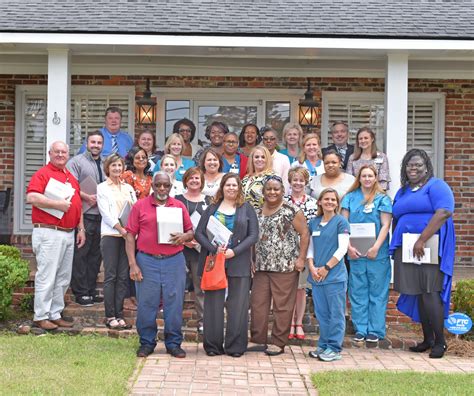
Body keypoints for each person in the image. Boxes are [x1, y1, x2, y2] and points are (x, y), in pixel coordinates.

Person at [389, 149, 455, 359]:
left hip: (429, 245)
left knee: (430, 291)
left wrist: (421, 239)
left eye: (418, 165)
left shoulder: (436, 186)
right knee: (417, 291)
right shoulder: (403, 191)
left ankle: (440, 342)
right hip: (408, 248)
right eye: (410, 165)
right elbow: (396, 216)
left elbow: (444, 211)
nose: (414, 168)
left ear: (427, 166)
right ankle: (427, 340)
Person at [125, 171, 194, 358]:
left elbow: (190, 231)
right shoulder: (140, 206)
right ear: (152, 186)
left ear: (171, 187)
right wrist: (133, 264)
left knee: (174, 302)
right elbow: (130, 235)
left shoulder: (178, 206)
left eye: (166, 185)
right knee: (147, 303)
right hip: (147, 260)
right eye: (158, 185)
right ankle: (147, 342)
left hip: (174, 261)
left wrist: (185, 236)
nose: (162, 189)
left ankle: (173, 343)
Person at [195, 173, 259, 357]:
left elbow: (253, 235)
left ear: (239, 188)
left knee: (238, 304)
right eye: (228, 185)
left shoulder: (246, 208)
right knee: (213, 304)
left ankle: (235, 346)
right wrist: (213, 249)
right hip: (215, 262)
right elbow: (199, 233)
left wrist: (235, 251)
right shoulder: (212, 208)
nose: (231, 188)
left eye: (234, 185)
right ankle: (213, 346)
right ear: (222, 187)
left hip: (238, 261)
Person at [26, 141, 85, 330]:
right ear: (49, 153)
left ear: (68, 155)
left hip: (68, 233)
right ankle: (41, 316)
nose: (60, 155)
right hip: (49, 231)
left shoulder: (69, 176)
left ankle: (55, 313)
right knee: (47, 275)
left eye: (64, 152)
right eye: (57, 152)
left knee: (62, 277)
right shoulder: (43, 174)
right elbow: (32, 197)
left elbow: (77, 204)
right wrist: (57, 204)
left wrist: (81, 228)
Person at [249, 175, 309, 356]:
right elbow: (253, 237)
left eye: (276, 189)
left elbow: (305, 234)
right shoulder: (257, 210)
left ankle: (278, 342)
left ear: (283, 191)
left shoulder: (292, 210)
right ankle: (258, 340)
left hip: (285, 266)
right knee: (258, 304)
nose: (272, 192)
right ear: (263, 192)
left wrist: (301, 259)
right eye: (269, 189)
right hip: (261, 266)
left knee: (282, 306)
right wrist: (252, 259)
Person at [341, 165, 392, 343]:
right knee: (357, 291)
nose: (368, 179)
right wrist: (348, 247)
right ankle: (360, 328)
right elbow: (343, 224)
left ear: (376, 177)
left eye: (371, 175)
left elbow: (386, 225)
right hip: (355, 253)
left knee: (377, 292)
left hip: (377, 253)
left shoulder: (382, 199)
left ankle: (375, 330)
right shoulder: (349, 198)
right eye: (364, 176)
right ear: (359, 177)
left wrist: (376, 247)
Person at [307, 188, 350, 362]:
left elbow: (342, 248)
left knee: (336, 313)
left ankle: (334, 348)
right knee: (322, 313)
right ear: (319, 202)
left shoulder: (341, 222)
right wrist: (311, 266)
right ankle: (323, 345)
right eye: (326, 199)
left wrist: (326, 267)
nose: (329, 202)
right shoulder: (314, 222)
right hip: (317, 276)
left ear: (337, 203)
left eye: (333, 199)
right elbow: (311, 247)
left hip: (334, 277)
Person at [97, 154, 137, 330]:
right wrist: (120, 229)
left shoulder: (128, 187)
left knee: (122, 277)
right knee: (111, 276)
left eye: (119, 166)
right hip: (111, 236)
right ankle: (110, 315)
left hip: (127, 237)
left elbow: (134, 209)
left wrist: (131, 231)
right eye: (113, 166)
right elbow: (105, 213)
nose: (116, 169)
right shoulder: (102, 188)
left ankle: (120, 315)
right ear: (108, 168)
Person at [67, 130, 105, 307]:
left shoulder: (106, 163)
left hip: (102, 216)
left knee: (95, 256)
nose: (96, 145)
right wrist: (86, 196)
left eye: (99, 143)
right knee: (81, 254)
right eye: (93, 142)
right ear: (87, 143)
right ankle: (80, 292)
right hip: (85, 215)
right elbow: (71, 186)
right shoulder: (76, 162)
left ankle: (90, 290)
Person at [175, 167, 211, 334]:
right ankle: (175, 321)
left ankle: (203, 321)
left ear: (201, 181)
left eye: (197, 178)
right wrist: (184, 239)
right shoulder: (177, 199)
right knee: (177, 286)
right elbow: (173, 223)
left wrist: (199, 240)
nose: (194, 181)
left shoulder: (209, 200)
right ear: (186, 180)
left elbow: (213, 226)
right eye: (191, 178)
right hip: (181, 249)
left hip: (200, 249)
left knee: (200, 288)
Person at [284, 166, 318, 341]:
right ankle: (288, 323)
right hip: (285, 252)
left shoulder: (313, 203)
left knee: (300, 290)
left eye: (301, 180)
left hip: (305, 250)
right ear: (289, 182)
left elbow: (314, 229)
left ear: (306, 182)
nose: (298, 183)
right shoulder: (282, 201)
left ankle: (298, 323)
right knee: (286, 289)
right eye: (294, 180)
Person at [262, 127, 291, 193]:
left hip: (278, 196)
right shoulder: (258, 158)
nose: (268, 141)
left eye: (272, 139)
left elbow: (286, 182)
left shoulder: (284, 159)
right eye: (266, 139)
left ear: (276, 140)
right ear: (263, 141)